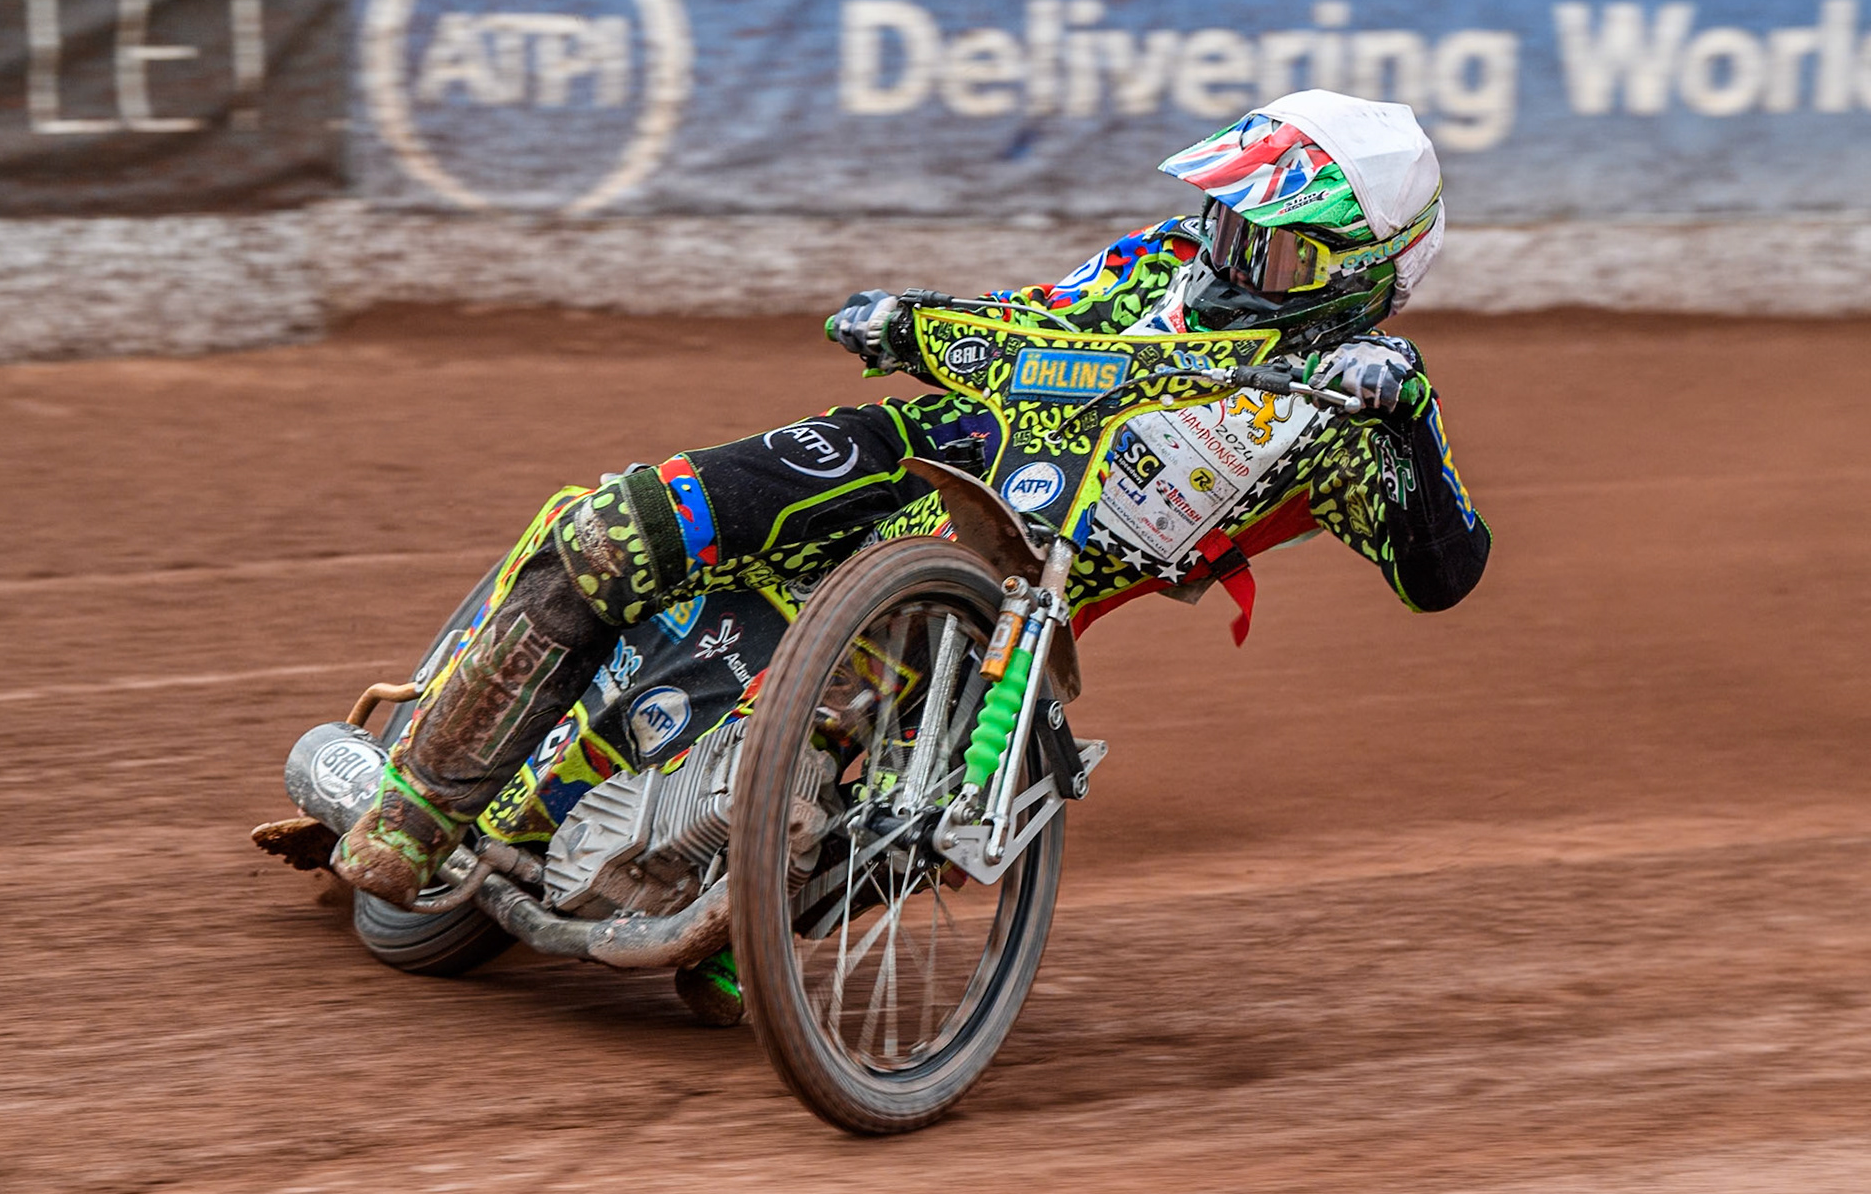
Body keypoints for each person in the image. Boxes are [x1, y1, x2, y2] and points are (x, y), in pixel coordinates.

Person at [323, 89, 1491, 1008]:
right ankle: (416, 804)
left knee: (847, 759)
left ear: (1362, 275)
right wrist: (914, 319)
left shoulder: (1357, 416)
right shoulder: (1154, 269)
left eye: (1271, 247)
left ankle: (752, 917)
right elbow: (1022, 323)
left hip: (1002, 593)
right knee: (625, 523)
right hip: (912, 450)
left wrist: (1404, 420)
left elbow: (1448, 571)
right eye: (1228, 219)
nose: (1228, 254)